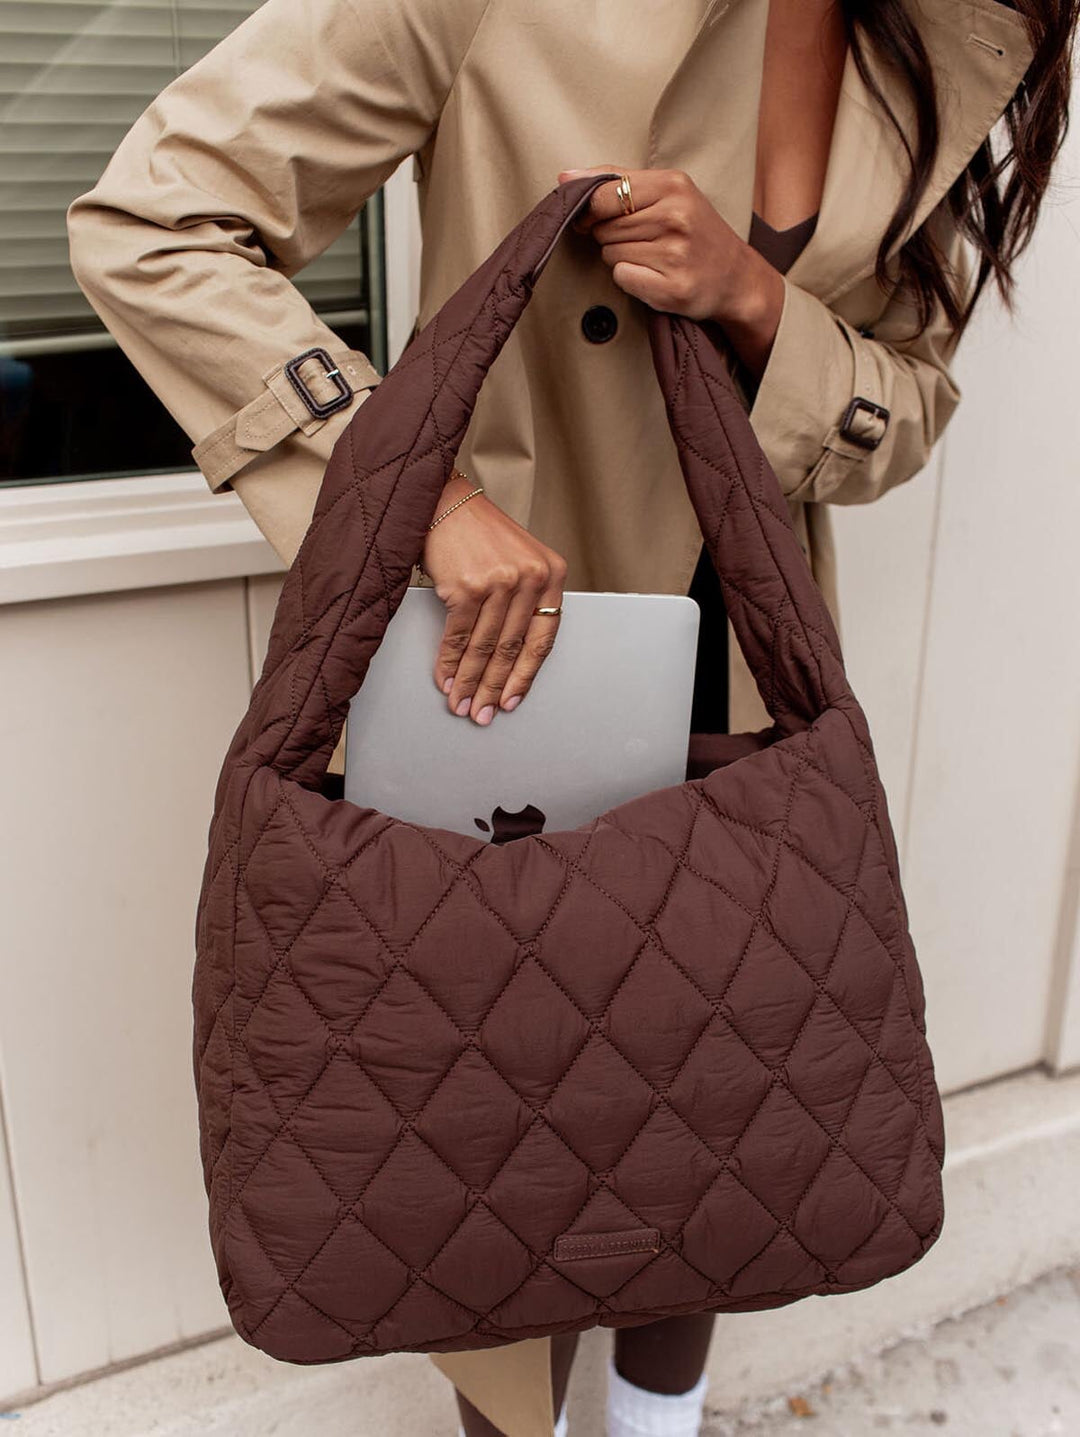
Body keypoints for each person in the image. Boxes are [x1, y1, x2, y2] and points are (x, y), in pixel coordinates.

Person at [65, 0, 1075, 1432]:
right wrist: (417, 499)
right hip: (511, 661)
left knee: (716, 1093)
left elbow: (902, 400)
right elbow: (156, 220)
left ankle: (659, 1423)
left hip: (741, 650)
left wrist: (755, 300)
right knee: (501, 1146)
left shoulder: (952, 34)